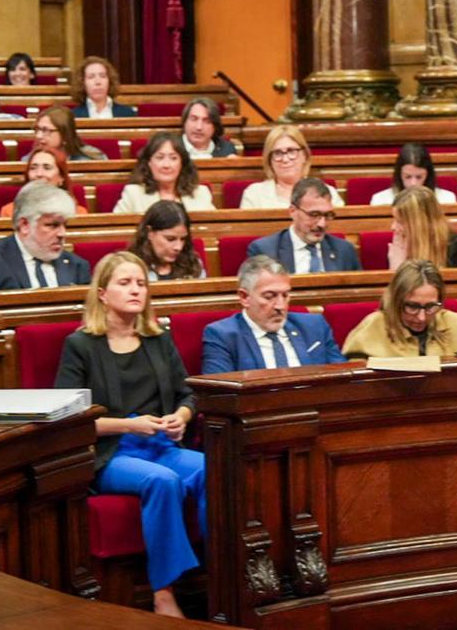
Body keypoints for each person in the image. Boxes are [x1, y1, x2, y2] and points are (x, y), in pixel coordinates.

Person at [53, 251, 203, 617]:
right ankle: (163, 592)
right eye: (125, 283)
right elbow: (68, 419)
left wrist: (181, 417)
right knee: (162, 481)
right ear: (102, 293)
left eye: (141, 283)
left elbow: (188, 394)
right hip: (112, 451)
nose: (136, 290)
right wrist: (130, 424)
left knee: (214, 468)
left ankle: (224, 568)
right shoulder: (82, 345)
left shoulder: (157, 338)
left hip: (161, 442)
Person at [202, 255, 345, 373]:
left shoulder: (314, 326)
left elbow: (342, 378)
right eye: (269, 296)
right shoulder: (222, 335)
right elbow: (219, 397)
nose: (280, 306)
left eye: (285, 295)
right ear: (244, 297)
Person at [0, 181, 91, 292]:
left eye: (64, 225)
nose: (62, 233)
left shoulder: (77, 266)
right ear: (25, 225)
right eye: (52, 225)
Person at [342, 259, 457, 358]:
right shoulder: (373, 327)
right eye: (412, 306)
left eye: (431, 306)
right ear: (396, 301)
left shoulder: (453, 324)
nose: (421, 317)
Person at [245, 178, 360, 274]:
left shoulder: (344, 250)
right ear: (293, 211)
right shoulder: (265, 250)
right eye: (314, 215)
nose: (322, 224)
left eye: (328, 215)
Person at [239, 125, 344, 209]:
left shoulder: (327, 192)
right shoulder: (254, 194)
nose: (285, 159)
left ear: (304, 155)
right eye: (277, 153)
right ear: (269, 160)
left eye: (291, 151)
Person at [113, 132, 215, 214]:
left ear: (182, 163)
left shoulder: (201, 193)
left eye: (173, 158)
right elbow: (117, 232)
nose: (166, 165)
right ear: (149, 163)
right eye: (160, 157)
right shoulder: (133, 194)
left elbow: (213, 231)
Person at [389, 185, 457, 269]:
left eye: (400, 222)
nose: (393, 227)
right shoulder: (398, 249)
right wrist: (397, 266)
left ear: (420, 222)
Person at [0, 148, 89, 218]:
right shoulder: (10, 212)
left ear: (61, 178)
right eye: (33, 168)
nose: (39, 174)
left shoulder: (78, 213)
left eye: (47, 168)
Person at [127, 201, 206, 281]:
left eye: (183, 239)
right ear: (149, 232)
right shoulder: (129, 266)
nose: (178, 247)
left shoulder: (192, 265)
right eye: (170, 239)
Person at [369, 142, 457, 205]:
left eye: (419, 177)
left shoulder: (446, 199)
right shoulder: (380, 201)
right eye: (408, 177)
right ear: (399, 175)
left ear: (428, 175)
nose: (413, 183)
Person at [28, 105, 107, 161]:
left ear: (65, 135)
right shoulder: (28, 161)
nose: (38, 136)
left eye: (46, 130)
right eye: (37, 129)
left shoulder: (90, 161)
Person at [70, 56, 137, 118]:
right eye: (91, 77)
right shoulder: (73, 116)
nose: (98, 82)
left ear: (109, 81)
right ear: (82, 82)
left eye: (102, 76)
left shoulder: (127, 113)